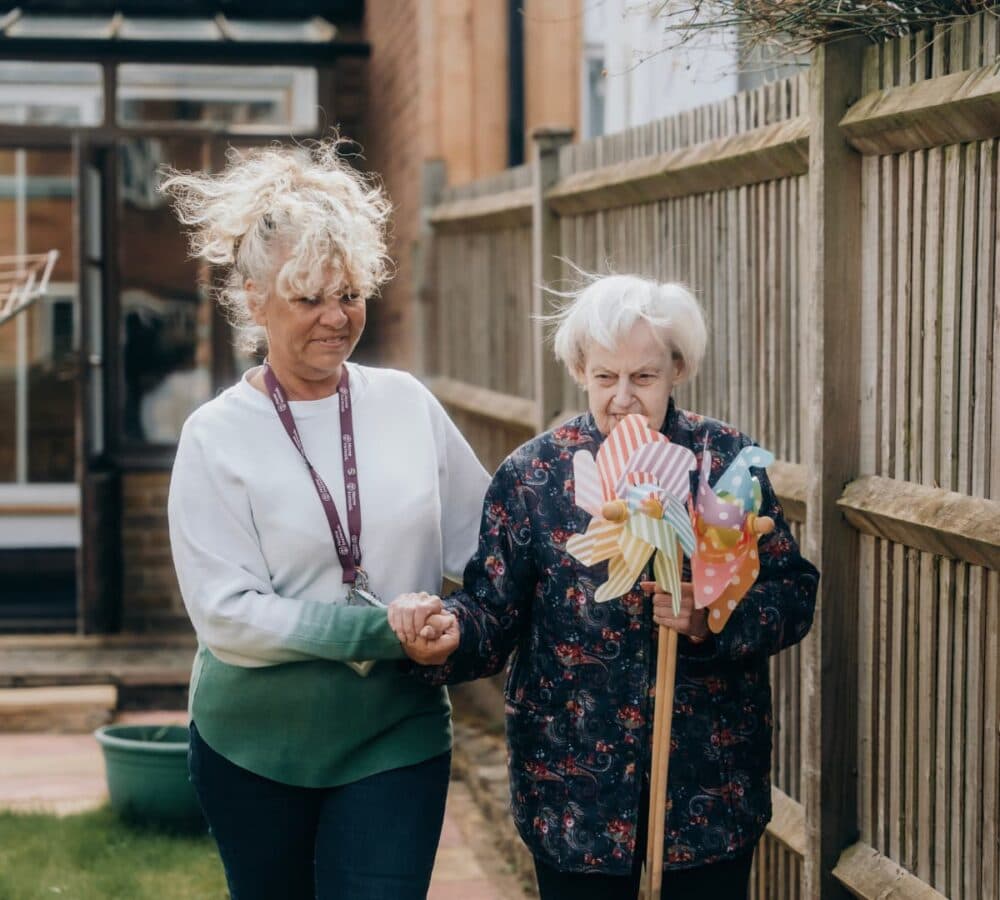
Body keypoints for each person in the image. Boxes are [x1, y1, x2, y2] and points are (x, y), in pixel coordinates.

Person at [389, 273, 820, 900]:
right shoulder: (535, 476)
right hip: (573, 793)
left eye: (643, 377)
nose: (623, 398)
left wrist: (713, 615)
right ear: (580, 370)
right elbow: (491, 610)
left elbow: (791, 594)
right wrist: (449, 633)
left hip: (706, 791)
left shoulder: (721, 464)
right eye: (605, 377)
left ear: (677, 368)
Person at [162, 140, 489, 900]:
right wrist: (383, 632)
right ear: (253, 298)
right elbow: (228, 616)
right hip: (252, 746)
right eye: (309, 298)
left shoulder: (406, 404)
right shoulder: (216, 435)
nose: (336, 318)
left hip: (395, 734)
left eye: (349, 294)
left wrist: (463, 624)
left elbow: (490, 547)